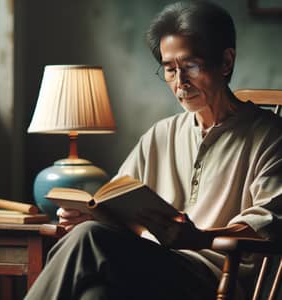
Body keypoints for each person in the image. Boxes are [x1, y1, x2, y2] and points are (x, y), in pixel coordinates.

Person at [25, 1, 282, 299]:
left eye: (191, 67)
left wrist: (201, 237)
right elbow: (117, 205)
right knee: (95, 292)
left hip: (214, 277)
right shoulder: (162, 134)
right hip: (150, 269)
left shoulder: (270, 136)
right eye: (170, 70)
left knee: (88, 239)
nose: (180, 83)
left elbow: (272, 223)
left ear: (225, 62)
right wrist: (91, 216)